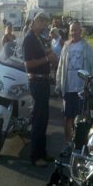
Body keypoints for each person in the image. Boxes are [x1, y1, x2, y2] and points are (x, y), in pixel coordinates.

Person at [22, 12, 58, 167]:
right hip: (36, 81)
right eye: (42, 22)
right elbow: (27, 64)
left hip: (43, 82)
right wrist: (46, 59)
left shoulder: (39, 38)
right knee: (38, 119)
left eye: (45, 23)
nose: (44, 26)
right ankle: (35, 157)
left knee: (44, 119)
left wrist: (50, 54)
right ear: (35, 21)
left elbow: (48, 54)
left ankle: (42, 152)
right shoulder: (29, 39)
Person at [55, 21, 93, 157]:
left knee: (81, 119)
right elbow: (60, 66)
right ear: (69, 31)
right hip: (68, 88)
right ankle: (67, 143)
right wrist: (58, 84)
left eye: (77, 30)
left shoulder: (86, 48)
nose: (74, 33)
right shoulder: (66, 47)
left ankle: (79, 145)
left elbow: (92, 67)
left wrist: (91, 86)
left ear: (80, 31)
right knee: (68, 118)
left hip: (81, 90)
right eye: (72, 30)